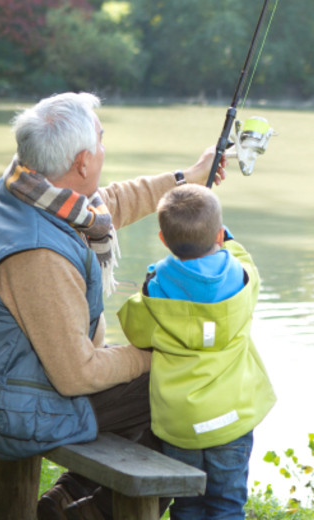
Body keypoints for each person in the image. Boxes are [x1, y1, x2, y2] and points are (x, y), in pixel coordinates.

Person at [0, 92, 228, 520]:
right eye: (101, 142)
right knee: (197, 384)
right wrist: (153, 356)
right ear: (83, 162)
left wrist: (188, 178)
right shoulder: (38, 255)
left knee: (162, 381)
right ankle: (91, 514)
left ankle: (65, 499)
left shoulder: (24, 186)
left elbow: (110, 203)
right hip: (15, 408)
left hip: (14, 380)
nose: (105, 151)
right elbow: (77, 374)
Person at [116, 184, 276, 519]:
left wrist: (148, 285)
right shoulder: (244, 280)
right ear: (219, 235)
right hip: (233, 418)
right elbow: (242, 256)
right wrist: (224, 236)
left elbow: (134, 329)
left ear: (163, 239)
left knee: (187, 503)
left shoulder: (155, 291)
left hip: (181, 423)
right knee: (227, 504)